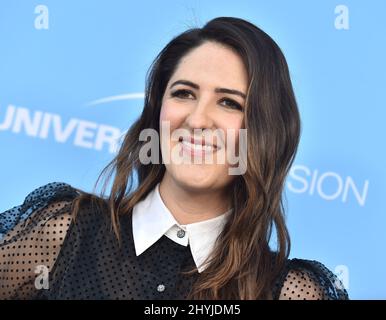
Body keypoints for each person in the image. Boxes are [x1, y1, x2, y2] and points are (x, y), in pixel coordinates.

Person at [0, 17, 348, 300]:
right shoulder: (63, 233)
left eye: (229, 102)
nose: (197, 120)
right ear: (157, 112)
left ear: (264, 132)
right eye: (183, 93)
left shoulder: (292, 292)